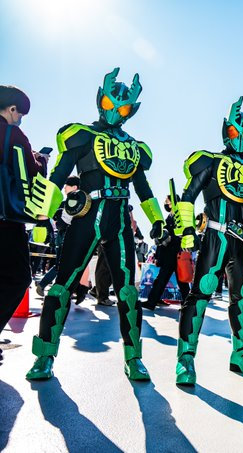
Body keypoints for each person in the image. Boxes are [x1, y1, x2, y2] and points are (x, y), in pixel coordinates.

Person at [25, 68, 167, 381]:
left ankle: (133, 357)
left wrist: (157, 219)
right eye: (109, 103)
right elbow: (58, 176)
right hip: (87, 215)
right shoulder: (82, 135)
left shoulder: (134, 147)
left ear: (132, 111)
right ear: (99, 99)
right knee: (63, 284)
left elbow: (143, 188)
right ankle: (44, 355)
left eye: (123, 108)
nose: (115, 111)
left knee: (128, 291)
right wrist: (41, 218)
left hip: (119, 219)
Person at [172, 97, 243, 385]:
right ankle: (185, 358)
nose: (240, 137)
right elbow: (187, 196)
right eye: (234, 131)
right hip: (216, 236)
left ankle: (241, 353)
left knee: (242, 296)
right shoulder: (210, 161)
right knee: (201, 292)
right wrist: (187, 230)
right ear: (225, 130)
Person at [0, 85, 48, 363]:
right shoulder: (13, 135)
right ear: (11, 109)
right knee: (19, 277)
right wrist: (41, 161)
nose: (19, 119)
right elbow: (32, 173)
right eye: (20, 114)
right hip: (6, 220)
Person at [141, 195, 190, 310]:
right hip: (169, 254)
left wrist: (170, 238)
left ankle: (152, 302)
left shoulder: (179, 217)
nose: (165, 204)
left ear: (172, 203)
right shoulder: (170, 216)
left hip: (174, 254)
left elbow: (183, 235)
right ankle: (187, 305)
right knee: (165, 280)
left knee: (173, 281)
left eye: (167, 201)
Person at [36, 176, 80, 296]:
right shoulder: (74, 201)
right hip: (68, 237)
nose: (64, 188)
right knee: (63, 266)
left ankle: (50, 286)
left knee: (62, 265)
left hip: (63, 237)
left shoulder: (68, 201)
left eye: (67, 185)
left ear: (74, 187)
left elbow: (58, 221)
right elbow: (62, 223)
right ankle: (47, 286)